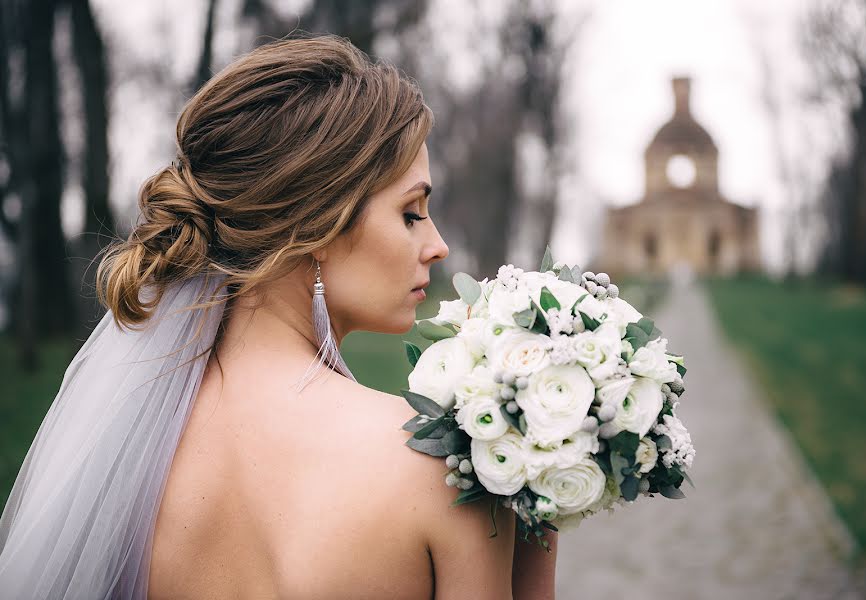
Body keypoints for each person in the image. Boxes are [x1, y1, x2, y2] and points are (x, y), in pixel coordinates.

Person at [0, 33, 556, 598]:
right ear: (315, 223)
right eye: (410, 212)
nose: (437, 245)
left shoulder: (123, 460)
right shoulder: (432, 465)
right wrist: (540, 478)